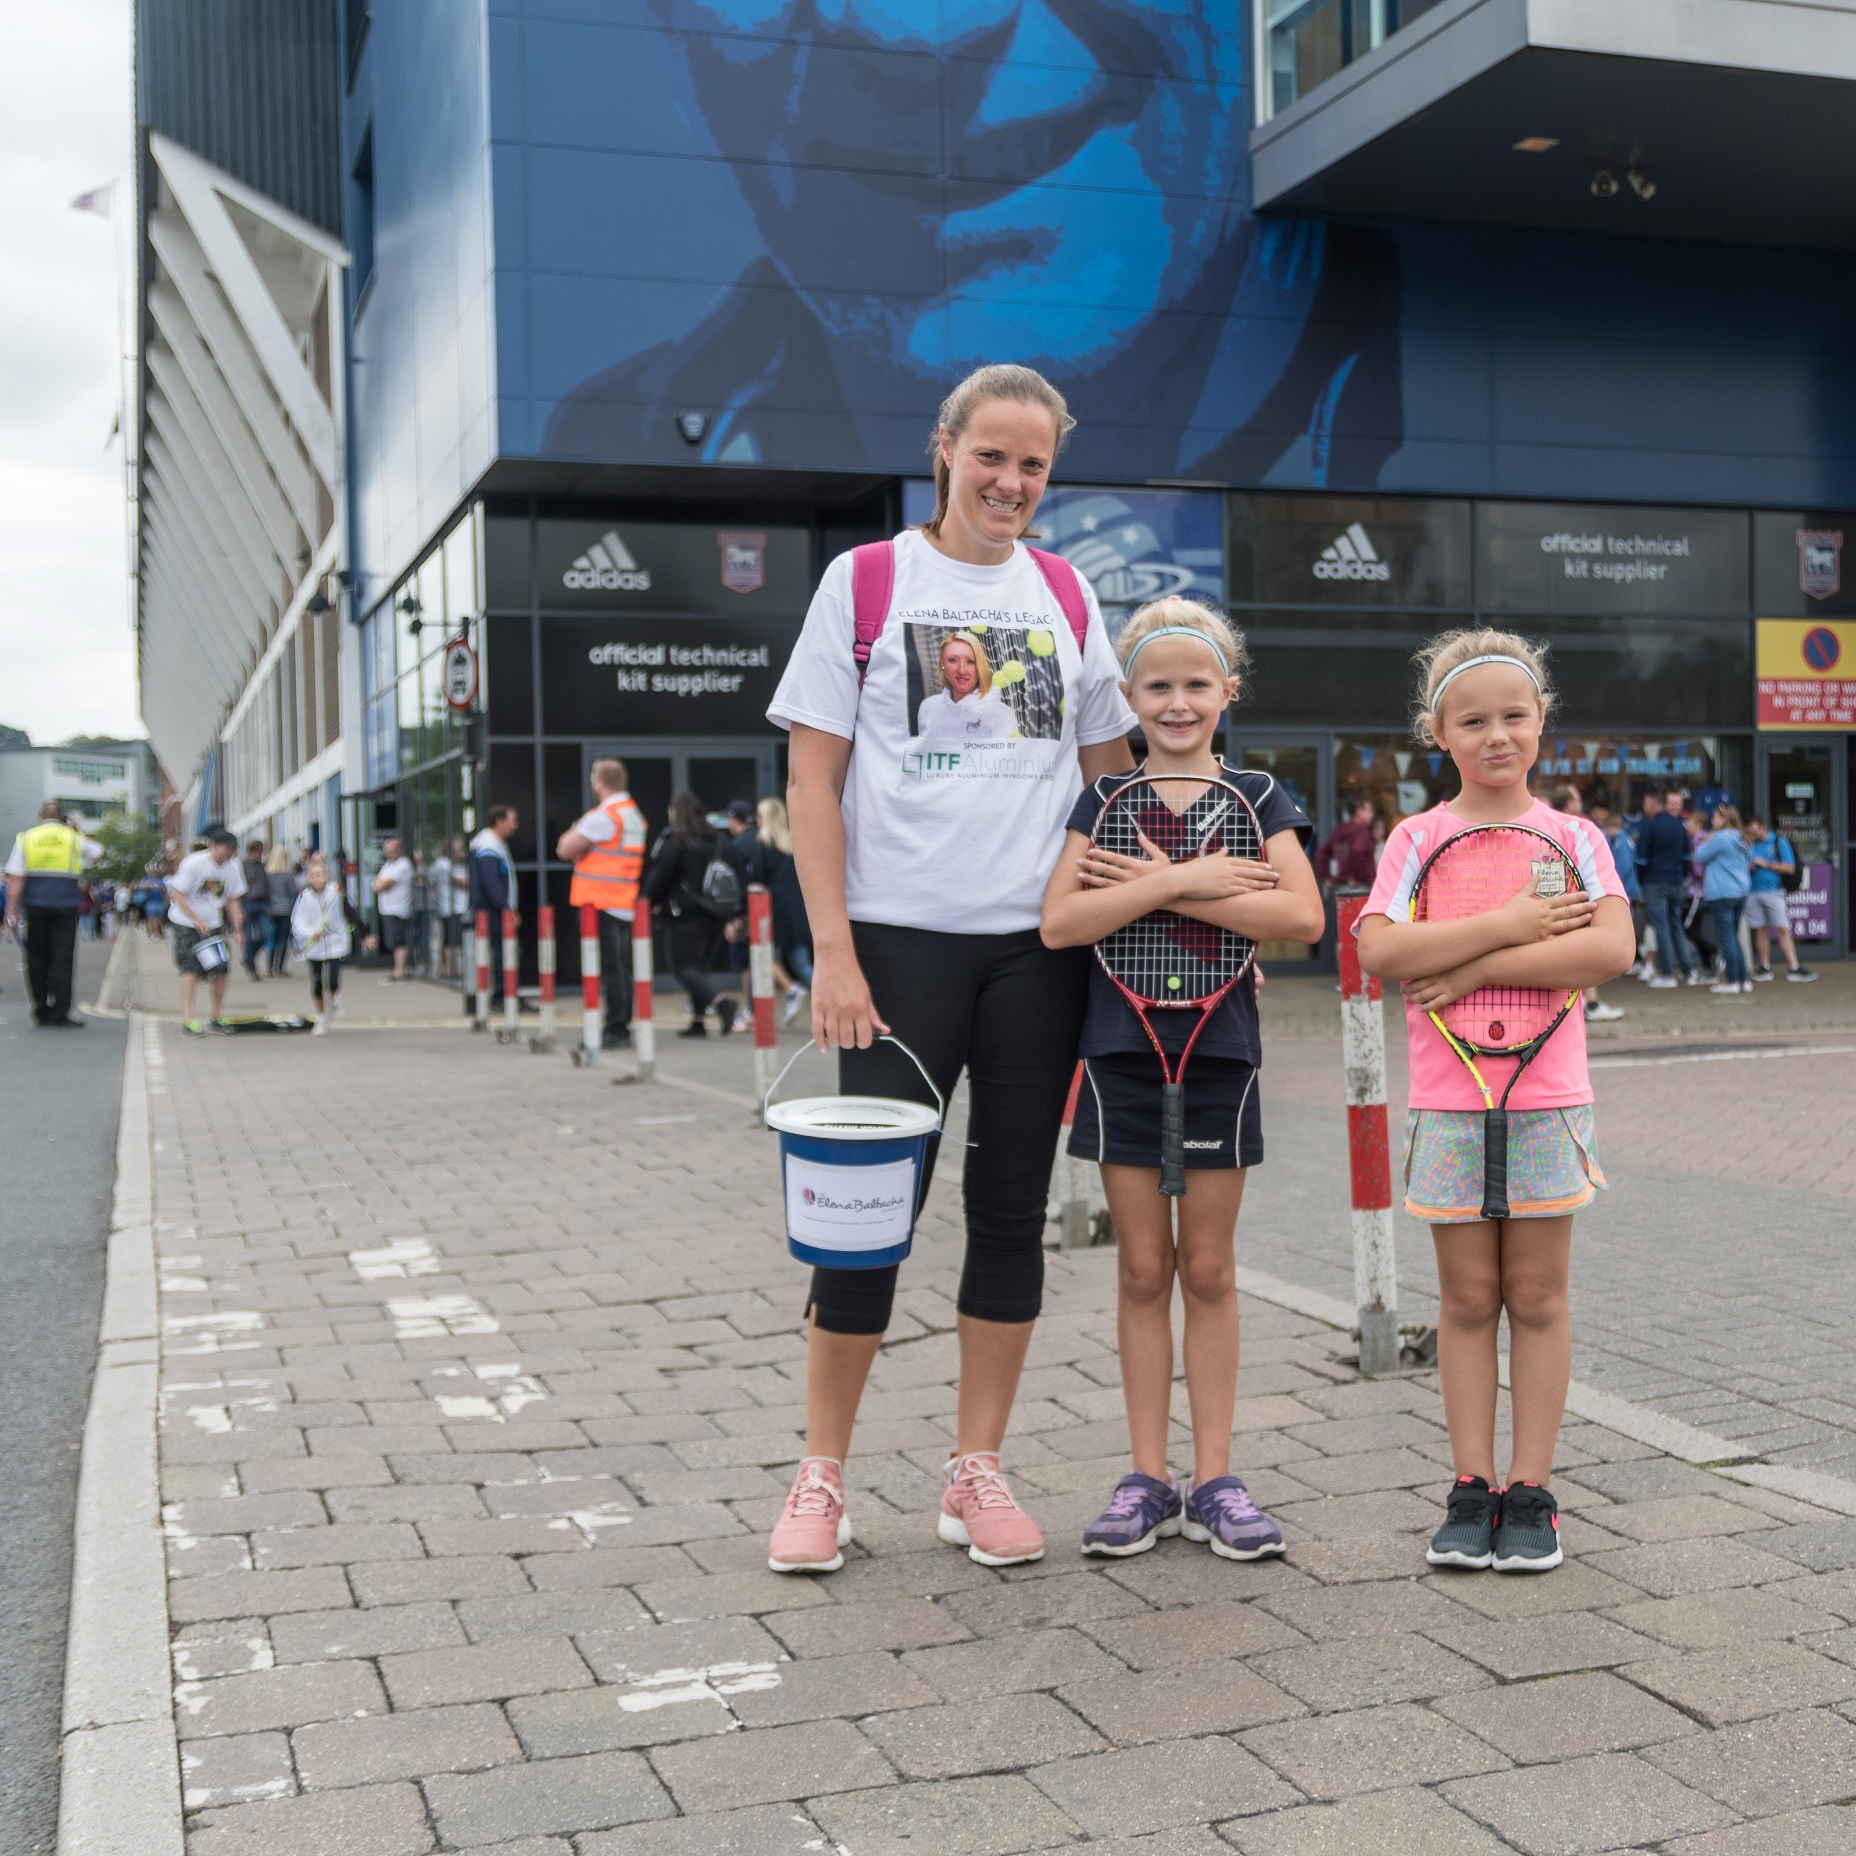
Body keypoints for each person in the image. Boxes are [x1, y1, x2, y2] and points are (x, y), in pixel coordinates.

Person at [762, 363, 1136, 1575]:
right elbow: (809, 783)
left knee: (1010, 1214)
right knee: (862, 1225)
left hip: (1035, 957)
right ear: (943, 447)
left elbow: (1113, 778)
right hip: (892, 952)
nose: (1011, 483)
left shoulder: (1067, 593)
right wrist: (832, 953)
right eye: (991, 456)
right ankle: (821, 1475)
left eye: (1032, 465)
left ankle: (975, 1467)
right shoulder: (865, 582)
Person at [1041, 599, 1323, 1560]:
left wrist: (1159, 884)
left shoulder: (1260, 798)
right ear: (1127, 697)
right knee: (1139, 1267)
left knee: (1206, 1268)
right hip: (1121, 1053)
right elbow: (1059, 927)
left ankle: (1216, 1480)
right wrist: (1179, 884)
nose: (1176, 701)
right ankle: (1146, 1479)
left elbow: (1303, 919)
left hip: (1220, 1057)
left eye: (1196, 684)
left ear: (1227, 692)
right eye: (1156, 686)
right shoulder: (1101, 802)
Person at [1358, 631, 1633, 1573]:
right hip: (1450, 1104)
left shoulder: (1576, 838)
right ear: (1437, 732)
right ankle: (1471, 1489)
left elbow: (1608, 952)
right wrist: (1513, 926)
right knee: (1469, 1298)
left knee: (1539, 1297)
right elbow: (1382, 953)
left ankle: (1533, 1493)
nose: (1496, 735)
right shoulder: (1415, 839)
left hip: (1549, 1100)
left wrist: (1474, 952)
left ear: (1541, 720)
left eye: (1514, 715)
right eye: (1472, 720)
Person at [557, 758, 650, 1049]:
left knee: (611, 970)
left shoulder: (604, 816)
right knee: (620, 968)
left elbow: (564, 848)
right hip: (622, 902)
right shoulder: (633, 815)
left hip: (601, 903)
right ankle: (620, 1024)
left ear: (598, 783)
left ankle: (615, 1030)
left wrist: (576, 830)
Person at [641, 790, 735, 1037]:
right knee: (699, 969)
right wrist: (737, 914)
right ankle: (698, 1021)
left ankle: (721, 1002)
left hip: (685, 915)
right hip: (716, 914)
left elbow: (661, 876)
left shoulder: (676, 841)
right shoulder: (719, 841)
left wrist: (649, 899)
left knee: (682, 968)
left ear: (675, 812)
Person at [4, 801, 103, 1027]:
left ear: (40, 816)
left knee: (36, 957)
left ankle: (40, 1010)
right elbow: (98, 853)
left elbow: (16, 878)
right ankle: (60, 1012)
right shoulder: (72, 837)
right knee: (62, 957)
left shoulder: (27, 837)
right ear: (63, 818)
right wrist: (77, 830)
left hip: (36, 906)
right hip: (65, 906)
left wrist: (12, 910)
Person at [1549, 786, 1623, 1023]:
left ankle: (1586, 1003)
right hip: (1574, 902)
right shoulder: (1573, 829)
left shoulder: (1554, 827)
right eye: (1578, 800)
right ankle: (1590, 1004)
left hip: (1563, 903)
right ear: (1569, 804)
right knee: (1582, 957)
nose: (1581, 804)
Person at [168, 828, 248, 1035]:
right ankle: (188, 1019)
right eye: (225, 849)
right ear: (213, 847)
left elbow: (232, 899)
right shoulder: (194, 864)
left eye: (232, 850)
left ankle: (217, 1016)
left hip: (213, 923)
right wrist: (195, 920)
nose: (228, 854)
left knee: (221, 968)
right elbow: (177, 893)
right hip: (186, 922)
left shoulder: (233, 867)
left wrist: (238, 929)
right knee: (190, 969)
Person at [749, 796, 812, 1024]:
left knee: (763, 958)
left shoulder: (763, 843)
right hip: (797, 911)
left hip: (771, 912)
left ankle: (791, 989)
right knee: (800, 963)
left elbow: (756, 882)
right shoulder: (793, 843)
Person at [1636, 786, 1697, 988]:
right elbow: (1688, 857)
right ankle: (1688, 972)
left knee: (1661, 927)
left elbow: (1641, 859)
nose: (1644, 807)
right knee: (1676, 926)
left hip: (1655, 882)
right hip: (1676, 882)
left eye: (1646, 803)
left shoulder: (1650, 826)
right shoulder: (1680, 826)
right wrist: (1680, 875)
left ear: (1653, 804)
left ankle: (1667, 974)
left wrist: (1643, 879)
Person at [1744, 816, 1816, 982]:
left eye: (1755, 832)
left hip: (1774, 892)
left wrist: (1767, 864)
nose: (1753, 836)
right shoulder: (1750, 844)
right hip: (1753, 892)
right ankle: (1764, 966)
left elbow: (1789, 868)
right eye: (1750, 833)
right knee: (1760, 929)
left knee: (1782, 929)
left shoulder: (1778, 842)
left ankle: (1793, 966)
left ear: (1763, 827)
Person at [915, 631, 1017, 743]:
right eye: (953, 660)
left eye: (970, 661)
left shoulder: (1001, 715)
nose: (962, 670)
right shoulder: (928, 707)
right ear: (942, 663)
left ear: (979, 665)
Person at [290, 853, 353, 1033]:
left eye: (320, 875)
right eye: (313, 875)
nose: (317, 879)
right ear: (308, 877)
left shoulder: (336, 894)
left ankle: (334, 998)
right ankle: (320, 1017)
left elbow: (350, 913)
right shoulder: (304, 897)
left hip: (335, 944)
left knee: (332, 980)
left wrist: (364, 935)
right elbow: (297, 921)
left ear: (327, 876)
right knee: (317, 983)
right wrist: (310, 933)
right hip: (314, 946)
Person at [1695, 805, 1754, 997]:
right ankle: (1743, 979)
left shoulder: (1720, 838)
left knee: (1727, 939)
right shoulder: (1742, 837)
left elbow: (1698, 856)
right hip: (1739, 893)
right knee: (1733, 938)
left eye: (1715, 816)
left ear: (1724, 819)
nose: (1712, 818)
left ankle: (1731, 981)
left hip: (1721, 893)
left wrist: (1708, 838)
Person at [468, 808, 521, 1010]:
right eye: (512, 820)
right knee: (504, 953)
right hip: (493, 911)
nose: (515, 826)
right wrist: (506, 908)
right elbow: (491, 883)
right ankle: (501, 997)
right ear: (499, 821)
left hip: (497, 909)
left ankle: (506, 995)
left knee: (507, 952)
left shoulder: (494, 843)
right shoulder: (487, 845)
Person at [372, 836, 415, 981]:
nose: (389, 854)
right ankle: (398, 969)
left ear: (399, 850)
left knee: (398, 941)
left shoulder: (403, 865)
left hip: (398, 909)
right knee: (393, 941)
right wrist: (379, 884)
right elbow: (375, 883)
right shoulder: (388, 865)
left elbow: (382, 885)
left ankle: (400, 972)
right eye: (386, 851)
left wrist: (380, 884)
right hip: (387, 909)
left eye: (391, 851)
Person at [1314, 797, 1378, 891]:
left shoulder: (1341, 831)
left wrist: (1327, 877)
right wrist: (1368, 879)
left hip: (1340, 887)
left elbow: (1321, 853)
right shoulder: (1362, 831)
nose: (1372, 815)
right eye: (1369, 811)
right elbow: (1358, 852)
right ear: (1359, 812)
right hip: (1359, 886)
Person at [239, 841, 272, 978]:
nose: (261, 854)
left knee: (266, 933)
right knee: (247, 937)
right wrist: (240, 909)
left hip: (262, 903)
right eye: (260, 851)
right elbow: (238, 888)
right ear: (252, 851)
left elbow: (267, 886)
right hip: (247, 904)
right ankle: (252, 968)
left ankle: (248, 958)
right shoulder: (242, 866)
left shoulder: (262, 866)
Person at [429, 839, 460, 980]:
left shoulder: (440, 865)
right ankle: (448, 969)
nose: (460, 853)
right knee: (450, 939)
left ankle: (445, 968)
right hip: (450, 906)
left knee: (447, 938)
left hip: (446, 906)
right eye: (457, 850)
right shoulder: (445, 865)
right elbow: (463, 882)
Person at [267, 847, 298, 975]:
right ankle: (279, 968)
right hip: (285, 910)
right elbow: (293, 891)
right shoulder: (288, 874)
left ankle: (269, 967)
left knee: (272, 940)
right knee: (283, 940)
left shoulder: (267, 874)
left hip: (271, 910)